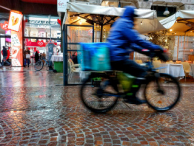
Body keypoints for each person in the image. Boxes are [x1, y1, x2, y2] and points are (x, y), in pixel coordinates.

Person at [107, 6, 164, 105]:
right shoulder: (125, 24)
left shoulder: (120, 22)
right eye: (135, 17)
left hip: (114, 56)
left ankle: (129, 93)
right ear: (131, 16)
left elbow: (133, 45)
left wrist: (145, 51)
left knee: (134, 71)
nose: (135, 20)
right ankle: (131, 96)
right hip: (118, 57)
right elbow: (137, 40)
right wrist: (155, 47)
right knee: (141, 72)